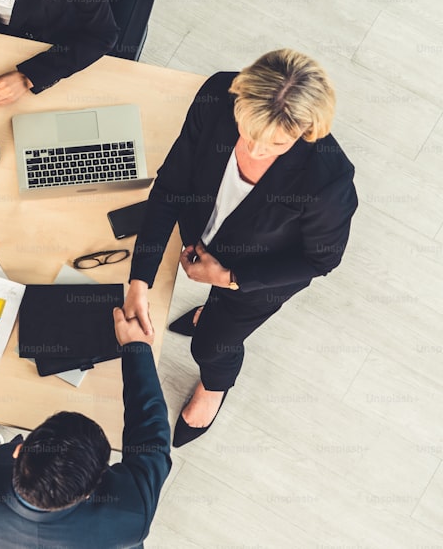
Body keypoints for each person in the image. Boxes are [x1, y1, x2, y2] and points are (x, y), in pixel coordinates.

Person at [122, 49, 358, 447]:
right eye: (247, 132)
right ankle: (207, 312)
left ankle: (215, 386)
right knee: (205, 317)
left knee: (212, 345)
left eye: (276, 145)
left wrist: (230, 279)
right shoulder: (218, 94)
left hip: (257, 273)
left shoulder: (328, 180)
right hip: (201, 232)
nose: (255, 150)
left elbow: (322, 258)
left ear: (307, 130)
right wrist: (139, 281)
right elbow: (171, 187)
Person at [0, 307, 170, 548]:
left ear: (18, 449)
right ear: (91, 489)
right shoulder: (131, 515)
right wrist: (136, 347)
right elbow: (151, 437)